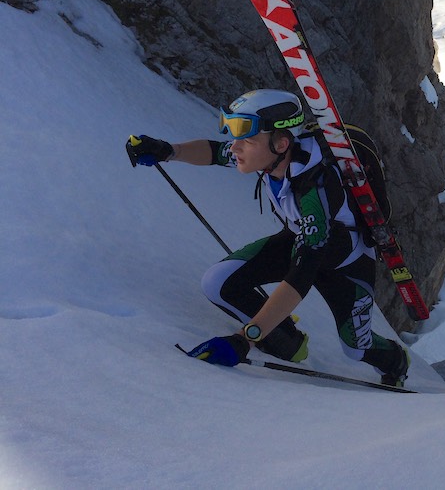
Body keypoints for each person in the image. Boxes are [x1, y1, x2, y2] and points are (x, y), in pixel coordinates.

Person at [127, 89, 410, 386]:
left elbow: (300, 277)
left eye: (246, 140)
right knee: (218, 283)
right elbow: (216, 152)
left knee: (357, 347)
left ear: (281, 143)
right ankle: (287, 342)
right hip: (301, 243)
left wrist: (243, 340)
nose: (235, 147)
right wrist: (167, 150)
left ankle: (395, 361)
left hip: (345, 265)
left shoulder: (314, 192)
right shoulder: (274, 156)